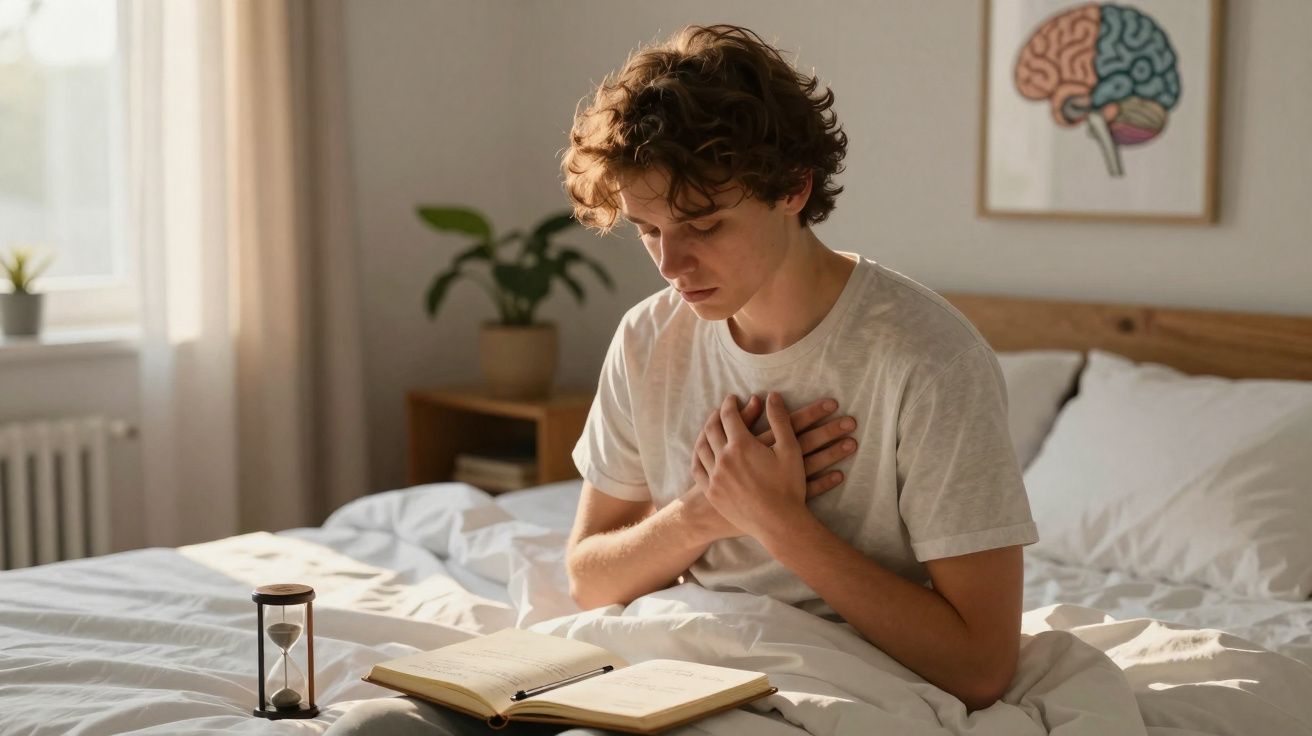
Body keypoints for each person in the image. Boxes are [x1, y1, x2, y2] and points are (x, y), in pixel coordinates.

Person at [328, 23, 1037, 735]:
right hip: (652, 663)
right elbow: (590, 578)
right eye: (647, 229)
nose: (671, 264)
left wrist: (778, 523)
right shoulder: (648, 337)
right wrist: (705, 511)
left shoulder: (927, 359)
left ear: (793, 187)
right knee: (369, 726)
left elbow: (980, 666)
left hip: (811, 682)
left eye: (703, 225)